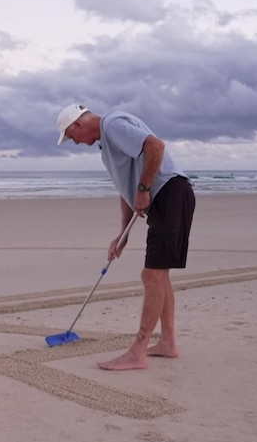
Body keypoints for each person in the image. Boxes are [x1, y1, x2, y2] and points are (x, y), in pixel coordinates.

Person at [56, 104, 196, 370]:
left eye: (72, 137)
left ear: (77, 124)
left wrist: (144, 189)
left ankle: (138, 351)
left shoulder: (113, 124)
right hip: (166, 198)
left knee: (151, 275)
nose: (76, 143)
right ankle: (167, 343)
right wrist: (123, 233)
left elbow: (155, 146)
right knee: (159, 275)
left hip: (170, 193)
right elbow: (126, 189)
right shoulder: (107, 144)